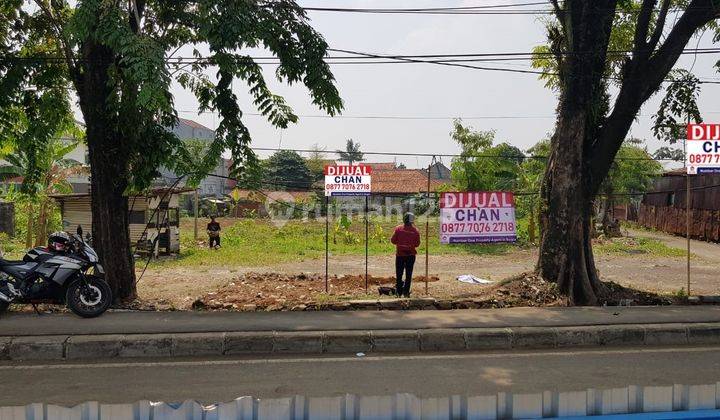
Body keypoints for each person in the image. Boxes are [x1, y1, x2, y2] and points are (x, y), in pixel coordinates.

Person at [391, 212, 421, 298]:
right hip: (411, 256)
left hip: (400, 255)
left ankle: (399, 292)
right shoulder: (415, 231)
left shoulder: (398, 229)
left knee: (399, 273)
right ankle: (406, 292)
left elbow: (393, 241)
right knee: (409, 274)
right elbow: (417, 244)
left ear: (404, 219)